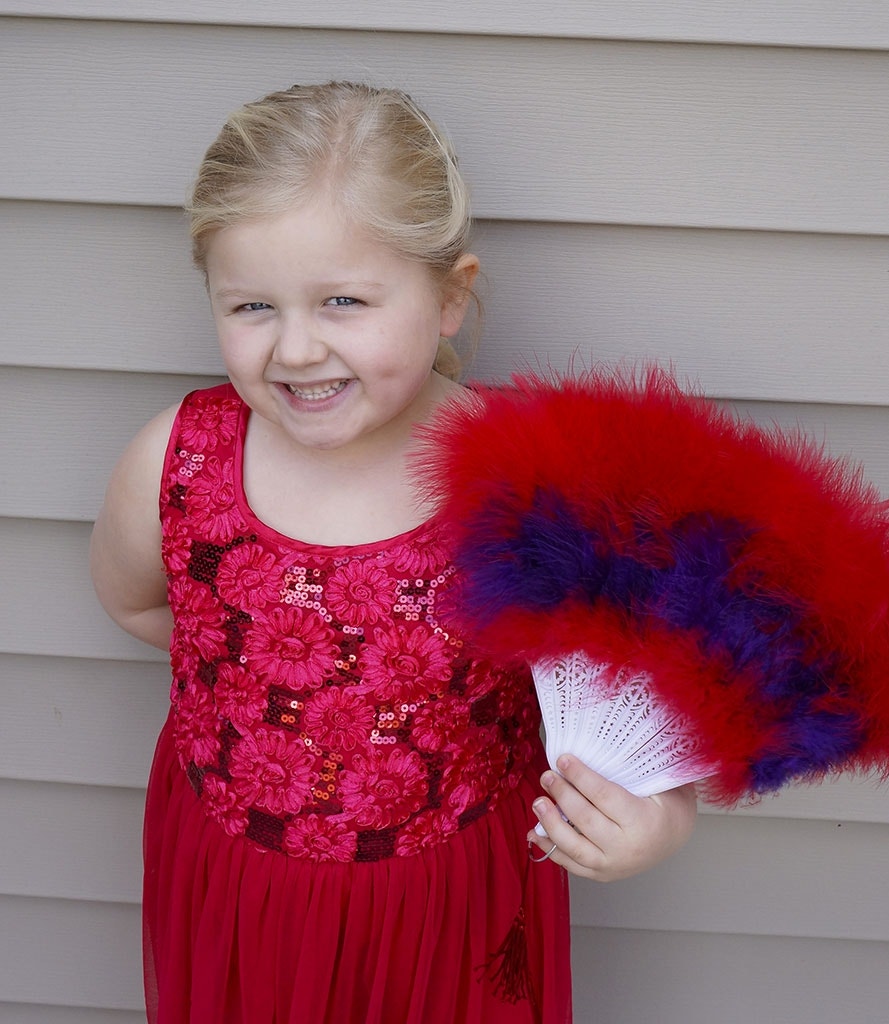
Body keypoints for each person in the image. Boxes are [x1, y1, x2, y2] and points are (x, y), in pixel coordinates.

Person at [90, 80, 697, 1024]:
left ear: (449, 298)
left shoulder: (528, 488)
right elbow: (135, 601)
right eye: (252, 305)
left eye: (343, 301)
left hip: (449, 905)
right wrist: (258, 686)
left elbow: (641, 704)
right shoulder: (178, 459)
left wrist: (658, 820)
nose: (295, 349)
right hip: (239, 890)